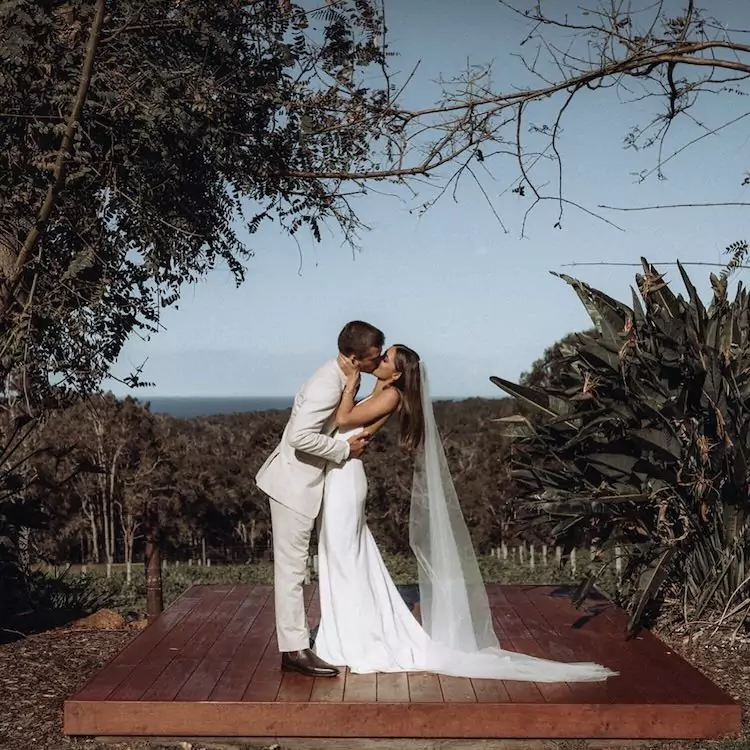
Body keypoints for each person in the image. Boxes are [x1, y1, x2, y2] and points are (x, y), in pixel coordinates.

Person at [313, 344, 616, 682]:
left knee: (345, 559)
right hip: (339, 477)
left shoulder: (391, 396)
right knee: (344, 559)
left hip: (346, 480)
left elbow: (342, 419)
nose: (379, 359)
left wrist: (351, 380)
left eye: (385, 358)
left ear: (397, 373)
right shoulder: (382, 389)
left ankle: (355, 638)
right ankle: (345, 632)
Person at [255, 320, 384, 678]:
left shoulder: (344, 377)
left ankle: (296, 646)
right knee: (292, 570)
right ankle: (295, 651)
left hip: (306, 483)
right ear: (354, 357)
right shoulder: (327, 384)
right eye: (373, 358)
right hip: (292, 487)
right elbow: (299, 437)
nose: (378, 363)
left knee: (297, 568)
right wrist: (343, 448)